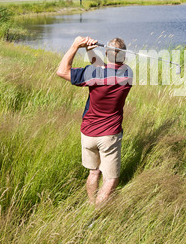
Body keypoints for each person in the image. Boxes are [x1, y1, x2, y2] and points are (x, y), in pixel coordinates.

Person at [56, 36, 133, 206]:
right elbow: (105, 67)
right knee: (111, 180)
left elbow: (62, 71)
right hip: (109, 137)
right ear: (124, 57)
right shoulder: (128, 73)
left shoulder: (94, 74)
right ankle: (96, 215)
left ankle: (92, 207)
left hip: (88, 134)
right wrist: (89, 50)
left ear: (106, 54)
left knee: (93, 173)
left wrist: (76, 45)